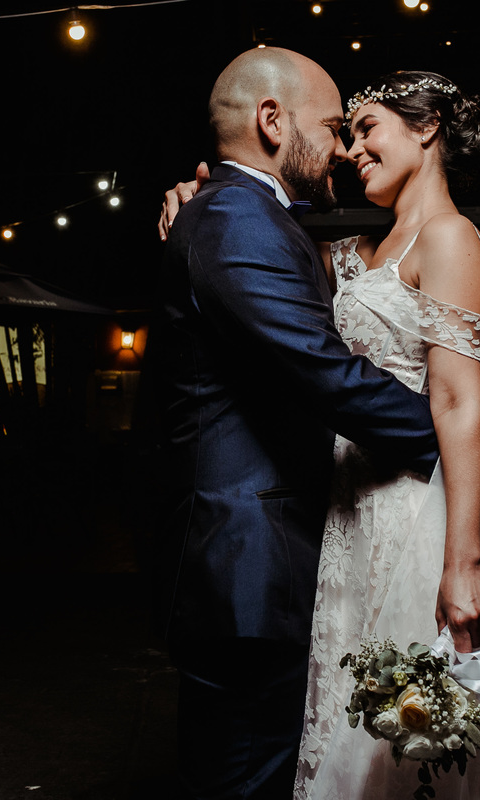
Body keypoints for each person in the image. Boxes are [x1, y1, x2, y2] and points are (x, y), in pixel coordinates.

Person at [161, 70, 480, 800]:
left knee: (409, 747)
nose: (348, 151)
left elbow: (459, 400)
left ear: (427, 130)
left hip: (413, 519)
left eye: (365, 130)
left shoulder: (453, 240)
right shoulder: (348, 253)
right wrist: (200, 202)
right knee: (339, 729)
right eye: (343, 130)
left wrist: (463, 558)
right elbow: (287, 315)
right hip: (343, 526)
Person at [154, 48, 441, 800]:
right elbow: (322, 373)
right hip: (246, 568)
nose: (346, 147)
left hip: (267, 563)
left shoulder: (244, 215)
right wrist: (460, 433)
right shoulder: (231, 218)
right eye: (332, 125)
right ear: (272, 121)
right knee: (244, 777)